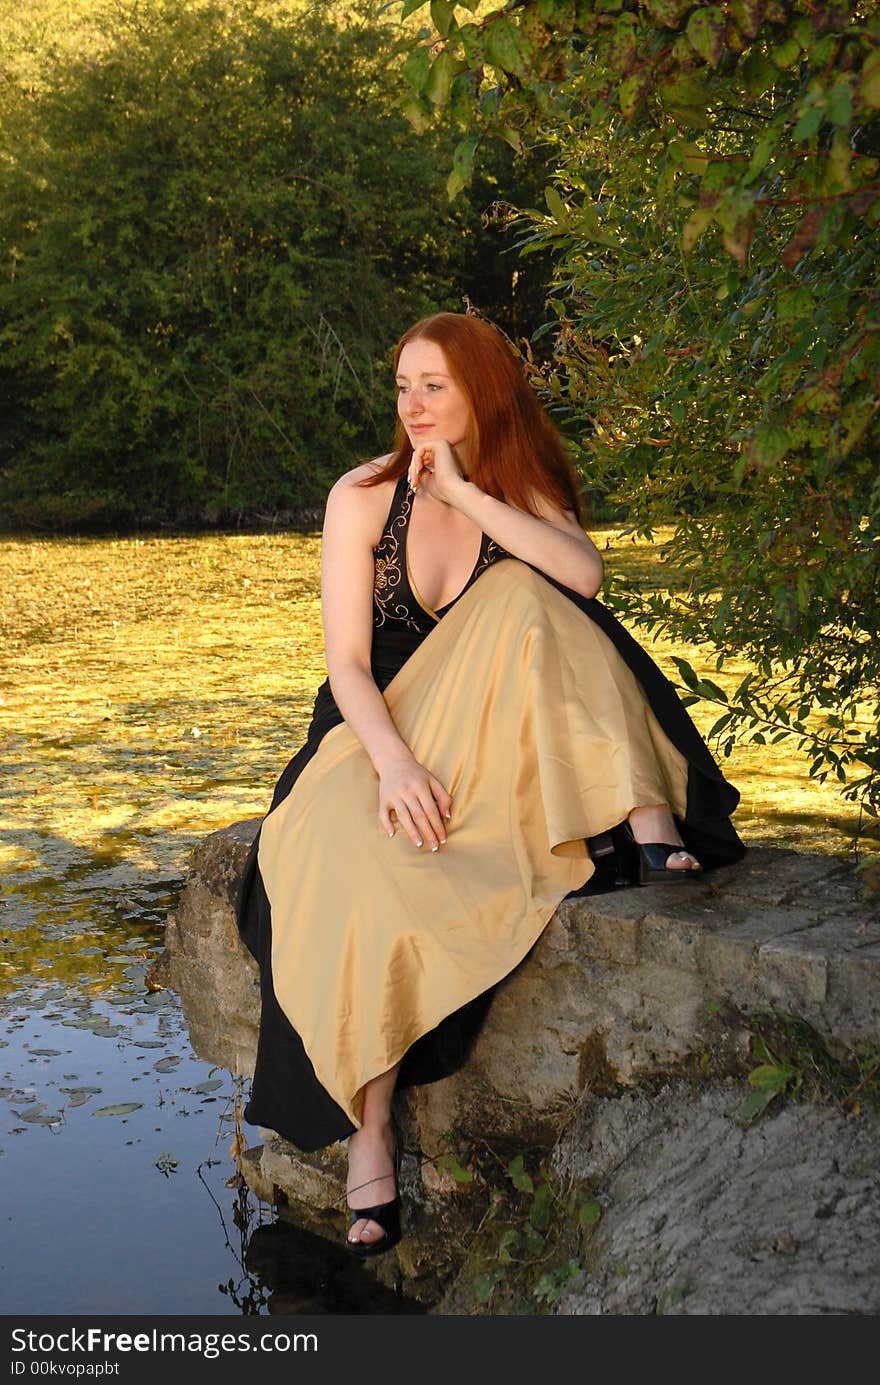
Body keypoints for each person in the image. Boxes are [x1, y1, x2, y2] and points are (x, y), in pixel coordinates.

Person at [234, 311, 745, 1260]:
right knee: (359, 871)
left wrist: (467, 497)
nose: (414, 406)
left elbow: (585, 579)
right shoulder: (360, 496)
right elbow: (346, 663)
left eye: (435, 385)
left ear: (481, 390)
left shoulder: (516, 489)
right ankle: (374, 1127)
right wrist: (390, 762)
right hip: (374, 726)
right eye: (402, 386)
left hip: (485, 730)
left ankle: (644, 815)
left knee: (526, 593)